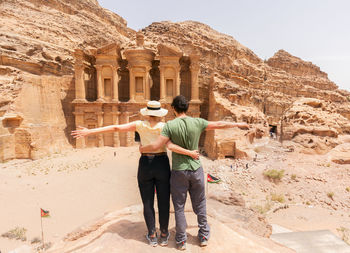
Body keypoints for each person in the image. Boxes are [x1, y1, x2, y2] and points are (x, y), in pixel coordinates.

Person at [71, 101, 199, 247]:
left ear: (147, 113)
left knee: (147, 202)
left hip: (146, 163)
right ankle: (164, 235)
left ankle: (152, 235)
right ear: (159, 114)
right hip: (162, 164)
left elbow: (116, 127)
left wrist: (89, 132)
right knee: (163, 201)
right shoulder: (165, 126)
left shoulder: (139, 125)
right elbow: (176, 142)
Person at [140, 95, 249, 250]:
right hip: (196, 169)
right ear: (187, 108)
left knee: (179, 207)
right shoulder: (198, 122)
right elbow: (219, 124)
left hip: (179, 171)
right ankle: (204, 235)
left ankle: (181, 240)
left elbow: (160, 145)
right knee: (200, 204)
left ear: (173, 109)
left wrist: (143, 149)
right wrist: (238, 123)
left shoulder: (170, 125)